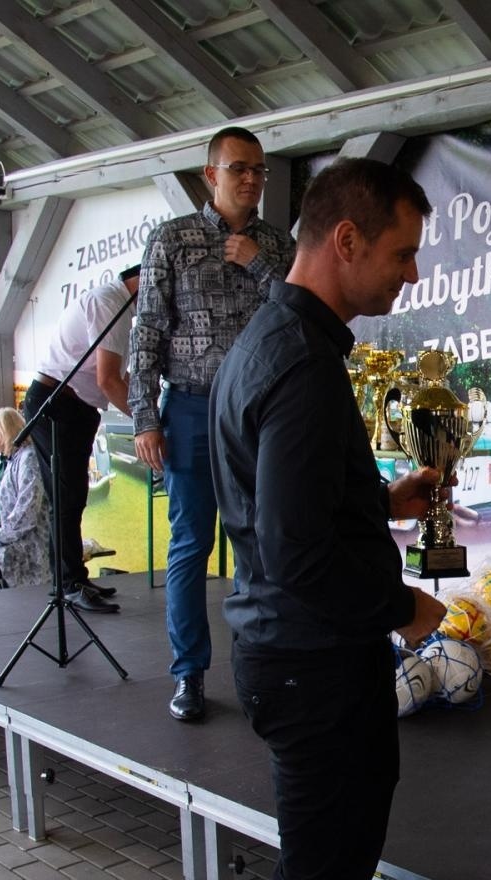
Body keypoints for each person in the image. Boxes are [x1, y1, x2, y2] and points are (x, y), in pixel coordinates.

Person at [210, 156, 446, 880]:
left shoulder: (275, 339)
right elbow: (298, 548)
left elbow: (283, 505)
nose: (410, 272)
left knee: (326, 868)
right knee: (319, 874)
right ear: (345, 240)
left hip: (293, 649)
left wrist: (378, 500)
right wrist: (402, 604)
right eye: (401, 251)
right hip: (312, 658)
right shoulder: (302, 362)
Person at [128, 126, 293, 722]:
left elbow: (299, 311)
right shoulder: (172, 240)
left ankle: (262, 670)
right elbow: (147, 330)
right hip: (192, 408)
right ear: (211, 175)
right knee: (191, 545)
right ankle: (189, 675)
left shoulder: (278, 245)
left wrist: (257, 267)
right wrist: (146, 417)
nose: (251, 180)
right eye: (239, 169)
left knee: (262, 544)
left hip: (260, 411)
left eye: (259, 171)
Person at [22, 264, 141, 615]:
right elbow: (109, 381)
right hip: (58, 403)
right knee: (66, 496)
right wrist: (148, 421)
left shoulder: (118, 310)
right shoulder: (109, 304)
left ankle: (75, 577)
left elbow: (121, 377)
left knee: (73, 497)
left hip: (75, 406)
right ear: (143, 280)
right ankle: (68, 583)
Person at [0, 408, 50, 593]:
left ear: (4, 431)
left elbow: (27, 512)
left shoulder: (29, 458)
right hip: (3, 534)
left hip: (28, 540)